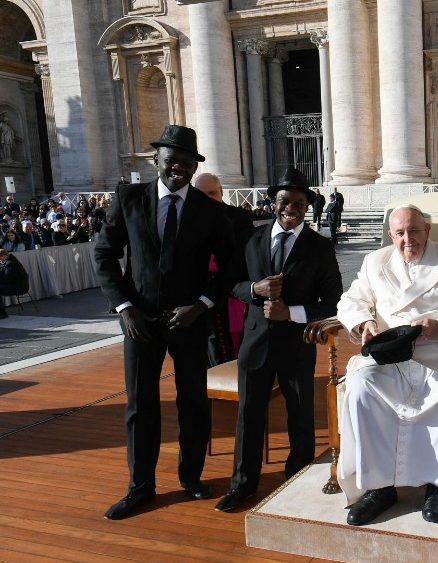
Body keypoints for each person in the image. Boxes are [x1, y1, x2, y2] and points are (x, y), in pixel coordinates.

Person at [93, 125, 236, 520]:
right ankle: (140, 487)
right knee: (140, 405)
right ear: (156, 159)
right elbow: (104, 254)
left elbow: (230, 268)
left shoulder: (209, 211)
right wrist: (124, 307)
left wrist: (202, 304)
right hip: (139, 320)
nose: (178, 167)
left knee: (192, 402)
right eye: (172, 159)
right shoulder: (128, 198)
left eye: (187, 162)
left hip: (189, 322)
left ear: (193, 167)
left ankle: (191, 478)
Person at [333, 205, 438, 526]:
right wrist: (364, 321)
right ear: (391, 235)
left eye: (414, 231)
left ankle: (437, 486)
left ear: (427, 230)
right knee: (360, 388)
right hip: (390, 355)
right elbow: (349, 301)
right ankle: (379, 487)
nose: (408, 239)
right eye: (399, 233)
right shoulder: (374, 262)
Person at [214, 168, 343, 512]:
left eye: (300, 202)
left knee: (299, 416)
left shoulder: (319, 246)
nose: (292, 208)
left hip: (296, 346)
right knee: (249, 415)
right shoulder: (250, 240)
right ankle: (242, 485)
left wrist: (294, 312)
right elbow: (230, 283)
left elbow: (333, 301)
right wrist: (254, 289)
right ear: (273, 203)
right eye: (286, 200)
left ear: (307, 206)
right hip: (255, 345)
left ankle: (296, 480)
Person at [193, 172, 255, 365]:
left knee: (234, 346)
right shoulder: (186, 219)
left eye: (212, 193)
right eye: (201, 194)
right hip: (198, 295)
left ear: (221, 192)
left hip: (230, 292)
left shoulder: (240, 218)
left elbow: (245, 257)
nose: (208, 199)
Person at [0, 248, 28, 319]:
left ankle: (2, 313)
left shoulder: (11, 263)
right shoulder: (8, 261)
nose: (0, 260)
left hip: (20, 287)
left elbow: (7, 278)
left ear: (3, 256)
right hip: (15, 284)